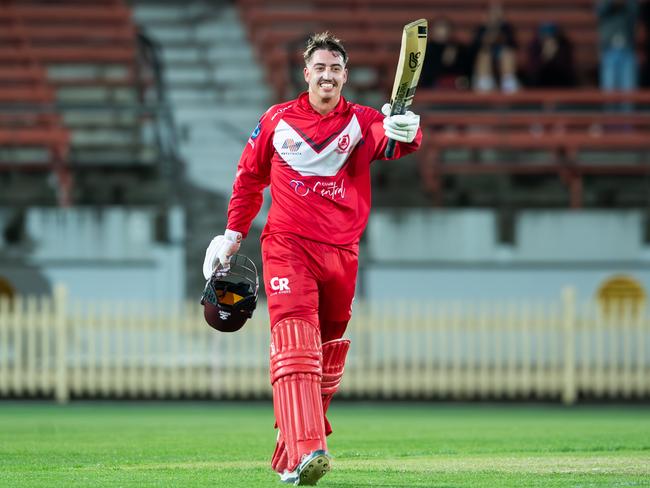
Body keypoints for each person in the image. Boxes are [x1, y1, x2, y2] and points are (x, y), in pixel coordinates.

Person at [201, 32, 422, 485]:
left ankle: (290, 457)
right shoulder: (277, 119)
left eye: (335, 69)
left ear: (344, 75)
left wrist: (408, 129)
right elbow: (248, 179)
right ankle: (310, 450)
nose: (327, 75)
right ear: (306, 74)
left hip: (343, 252)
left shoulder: (361, 121)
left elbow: (392, 139)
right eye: (319, 68)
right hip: (287, 247)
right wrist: (232, 233)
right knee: (297, 346)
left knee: (327, 358)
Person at [470, 2, 519, 93]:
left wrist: (501, 37)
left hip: (502, 63)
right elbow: (473, 50)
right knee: (484, 55)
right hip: (484, 66)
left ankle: (508, 84)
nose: (495, 15)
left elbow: (514, 46)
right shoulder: (481, 29)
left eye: (498, 12)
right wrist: (486, 40)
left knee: (507, 54)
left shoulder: (507, 29)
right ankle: (485, 84)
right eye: (493, 12)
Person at [597, 0, 639, 91]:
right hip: (609, 49)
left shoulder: (631, 4)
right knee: (609, 90)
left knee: (629, 90)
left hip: (627, 49)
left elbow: (635, 11)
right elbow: (600, 10)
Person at [419, 17, 471, 90]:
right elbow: (427, 73)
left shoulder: (458, 48)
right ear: (432, 30)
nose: (443, 31)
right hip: (432, 87)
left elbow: (465, 71)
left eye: (445, 27)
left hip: (455, 86)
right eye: (439, 27)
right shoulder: (425, 49)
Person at [526, 22, 577, 88]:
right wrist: (545, 56)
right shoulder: (534, 46)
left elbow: (566, 68)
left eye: (550, 36)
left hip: (561, 81)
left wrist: (554, 54)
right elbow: (533, 68)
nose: (548, 39)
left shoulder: (564, 46)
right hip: (539, 82)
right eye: (545, 36)